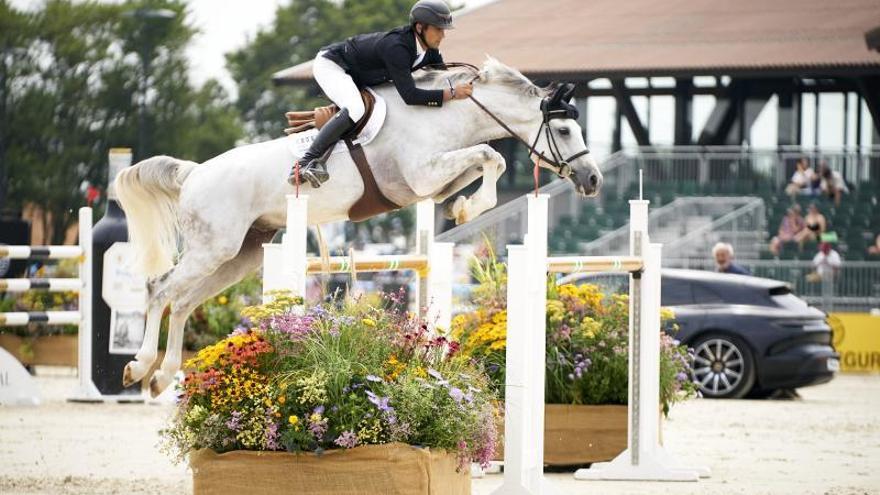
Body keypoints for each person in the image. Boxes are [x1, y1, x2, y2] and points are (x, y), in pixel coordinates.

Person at [288, 0, 473, 188]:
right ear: (420, 27)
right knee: (356, 109)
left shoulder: (431, 52)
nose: (443, 35)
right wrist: (451, 94)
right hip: (333, 65)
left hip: (358, 75)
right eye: (438, 29)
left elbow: (445, 80)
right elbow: (410, 96)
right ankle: (305, 162)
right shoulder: (397, 48)